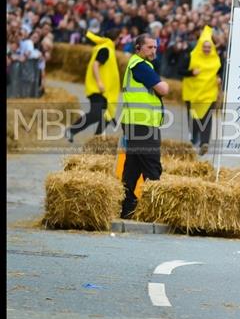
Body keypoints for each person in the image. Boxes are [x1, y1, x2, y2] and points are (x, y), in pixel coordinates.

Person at [119, 34, 169, 219]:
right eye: (149, 47)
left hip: (137, 123)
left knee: (133, 168)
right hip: (142, 124)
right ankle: (153, 211)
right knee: (152, 167)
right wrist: (164, 84)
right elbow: (163, 89)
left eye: (155, 47)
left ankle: (127, 209)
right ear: (138, 48)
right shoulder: (140, 65)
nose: (153, 50)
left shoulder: (139, 65)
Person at [66, 30, 120, 142]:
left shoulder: (106, 48)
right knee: (96, 114)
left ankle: (96, 141)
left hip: (105, 91)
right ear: (117, 39)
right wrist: (99, 82)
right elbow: (95, 65)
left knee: (107, 116)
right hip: (98, 89)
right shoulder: (106, 49)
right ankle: (71, 130)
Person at [181, 26, 221, 156]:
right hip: (192, 95)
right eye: (204, 46)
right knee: (194, 118)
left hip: (209, 94)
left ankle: (205, 143)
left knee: (207, 118)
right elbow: (179, 71)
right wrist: (191, 72)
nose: (207, 49)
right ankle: (194, 139)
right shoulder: (190, 56)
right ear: (200, 46)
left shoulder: (216, 59)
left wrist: (219, 79)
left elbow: (220, 73)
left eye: (209, 47)